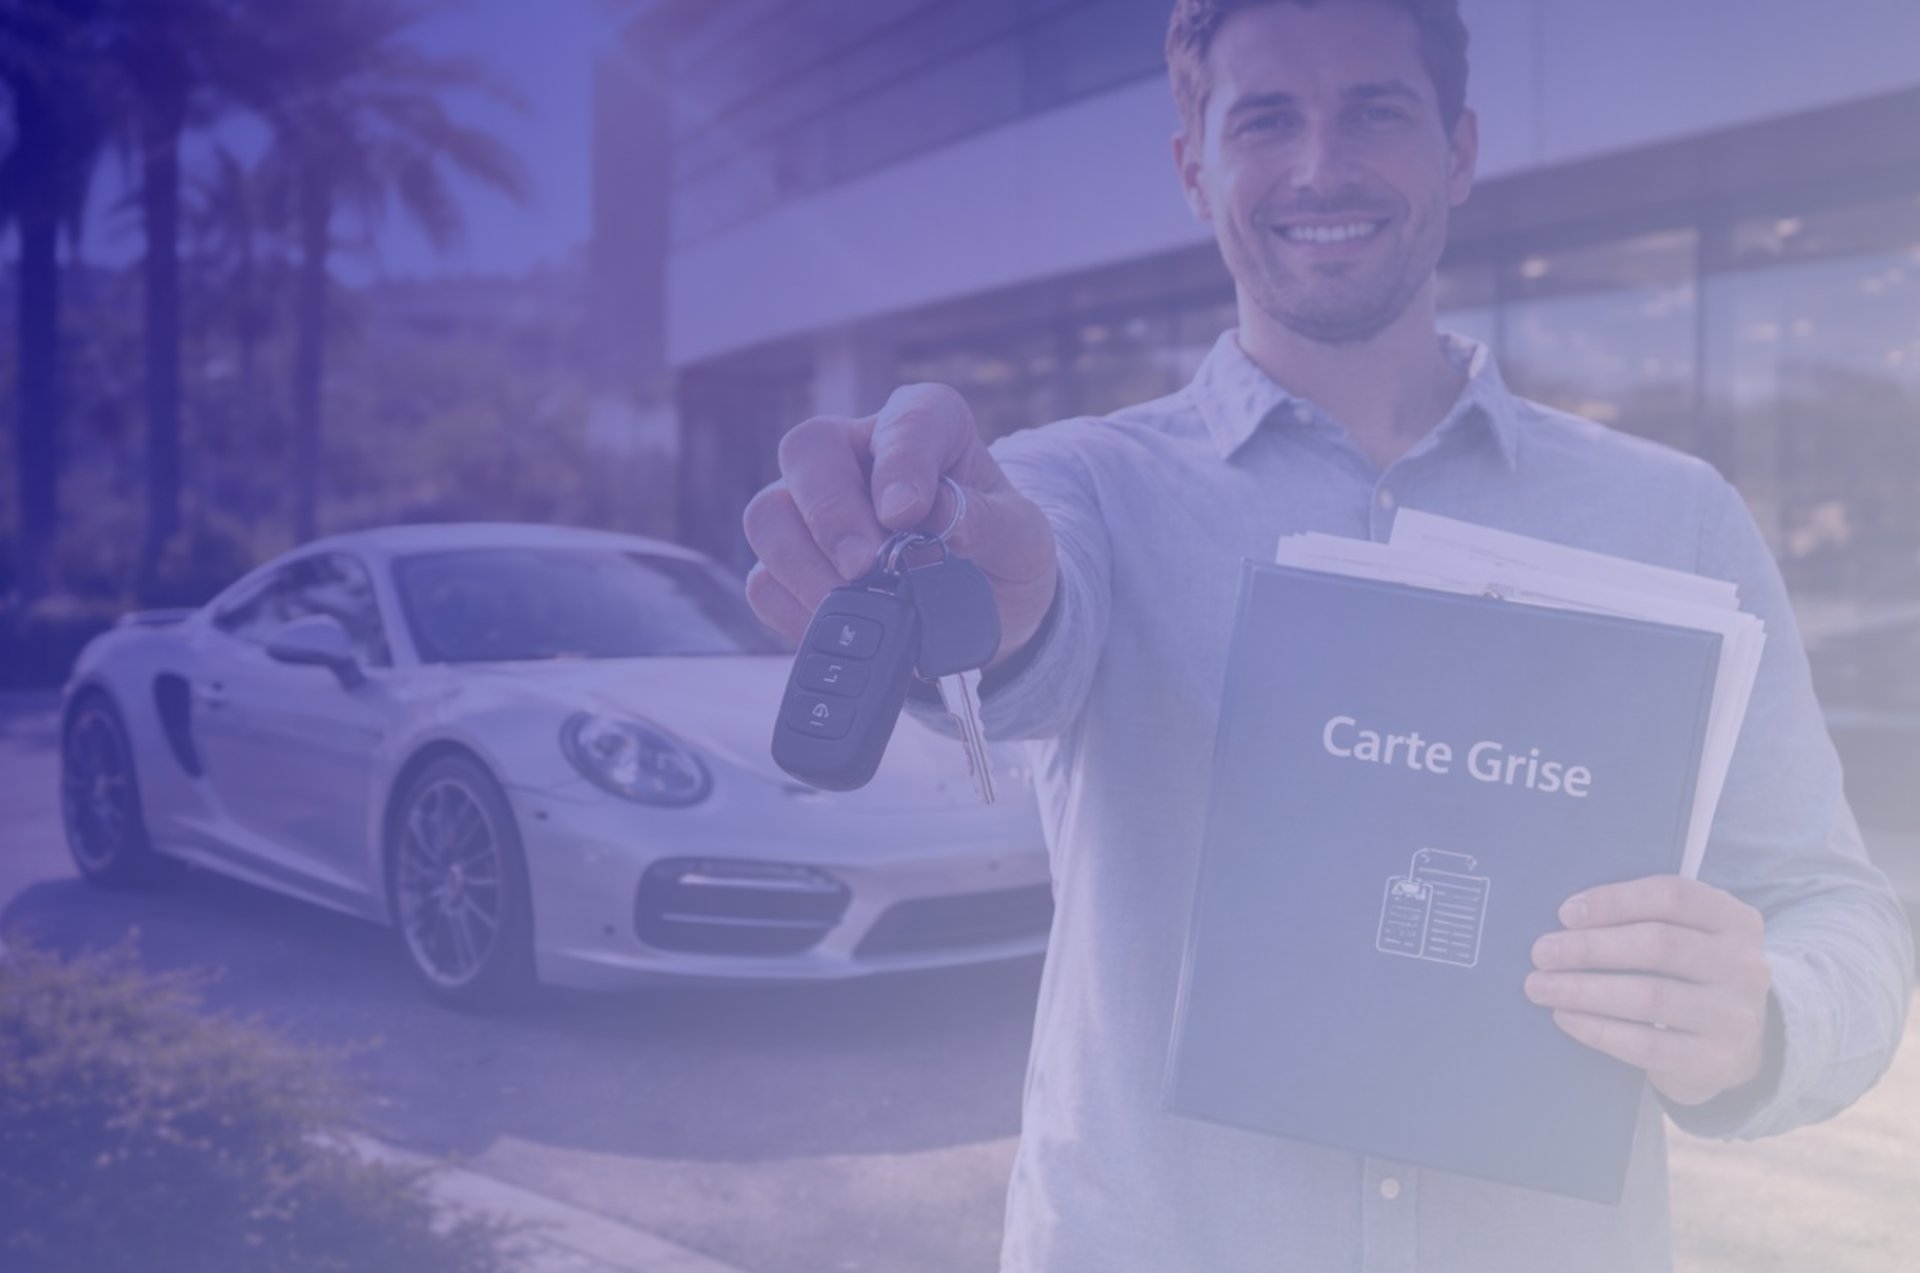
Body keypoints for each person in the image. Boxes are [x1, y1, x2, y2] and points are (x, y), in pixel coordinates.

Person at [742, 1, 1915, 1268]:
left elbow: (1831, 912)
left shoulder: (1672, 517)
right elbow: (1031, 643)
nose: (1322, 165)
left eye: (1375, 108)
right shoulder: (1076, 495)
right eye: (1266, 118)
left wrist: (1765, 1025)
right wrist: (985, 615)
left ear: (1458, 150)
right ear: (1196, 165)